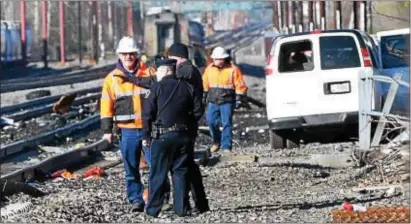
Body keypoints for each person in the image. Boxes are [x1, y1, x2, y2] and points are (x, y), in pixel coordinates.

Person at [142, 58, 203, 217]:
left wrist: (146, 134)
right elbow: (198, 110)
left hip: (162, 136)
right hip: (183, 136)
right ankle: (181, 209)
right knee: (180, 172)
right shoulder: (188, 87)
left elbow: (147, 113)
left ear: (163, 71)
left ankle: (153, 210)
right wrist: (187, 125)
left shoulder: (157, 88)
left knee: (157, 174)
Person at [100, 36, 154, 212]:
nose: (128, 57)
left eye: (131, 54)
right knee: (131, 168)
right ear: (119, 55)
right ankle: (136, 200)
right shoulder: (112, 79)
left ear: (137, 54)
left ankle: (157, 197)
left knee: (156, 165)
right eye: (125, 54)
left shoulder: (150, 74)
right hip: (127, 131)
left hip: (150, 130)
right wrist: (107, 131)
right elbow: (106, 105)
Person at [167, 42, 210, 213]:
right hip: (189, 123)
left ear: (175, 57)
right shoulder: (191, 70)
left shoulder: (185, 71)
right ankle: (199, 203)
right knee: (188, 164)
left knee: (181, 166)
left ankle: (185, 204)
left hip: (186, 124)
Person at [202, 46, 248, 153]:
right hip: (213, 100)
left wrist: (239, 99)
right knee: (211, 121)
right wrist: (204, 95)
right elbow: (205, 82)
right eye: (216, 59)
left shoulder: (233, 69)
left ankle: (226, 146)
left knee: (226, 123)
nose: (218, 61)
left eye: (220, 59)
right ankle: (217, 142)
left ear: (224, 58)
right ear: (213, 59)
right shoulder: (209, 69)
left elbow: (240, 85)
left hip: (227, 101)